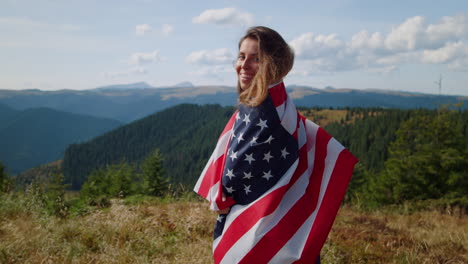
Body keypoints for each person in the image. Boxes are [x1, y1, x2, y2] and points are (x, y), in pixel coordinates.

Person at [194, 26, 357, 264]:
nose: (244, 65)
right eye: (242, 56)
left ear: (274, 63)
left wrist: (221, 196)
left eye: (256, 59)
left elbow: (232, 179)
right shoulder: (279, 99)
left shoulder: (260, 112)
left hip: (262, 239)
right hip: (285, 232)